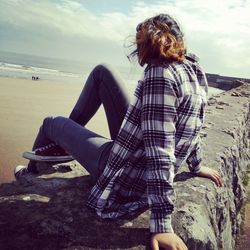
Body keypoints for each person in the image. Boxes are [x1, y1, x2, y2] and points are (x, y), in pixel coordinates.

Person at [15, 14, 223, 250]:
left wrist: (162, 223)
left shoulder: (159, 74)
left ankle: (30, 174)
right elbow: (193, 125)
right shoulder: (193, 69)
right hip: (137, 154)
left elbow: (160, 151)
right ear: (180, 39)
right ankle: (63, 145)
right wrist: (196, 165)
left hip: (128, 176)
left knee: (50, 123)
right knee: (102, 71)